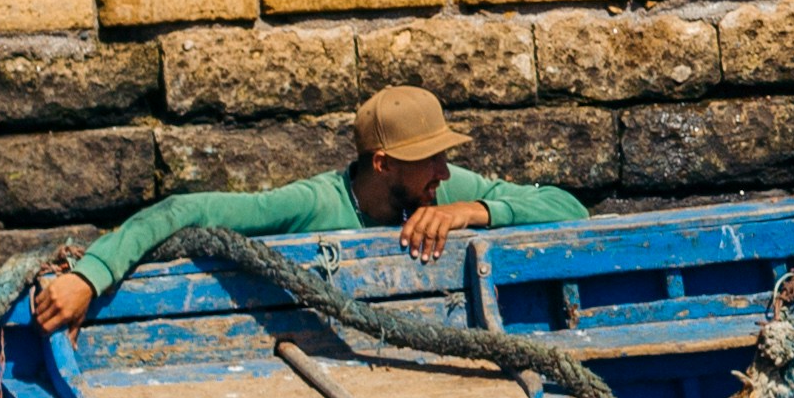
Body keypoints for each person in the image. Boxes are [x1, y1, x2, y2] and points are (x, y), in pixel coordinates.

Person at [30, 82, 587, 331]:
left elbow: (570, 211)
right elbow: (181, 211)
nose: (443, 172)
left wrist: (475, 212)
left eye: (444, 158)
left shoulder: (445, 187)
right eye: (428, 160)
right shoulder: (312, 203)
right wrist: (90, 276)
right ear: (382, 164)